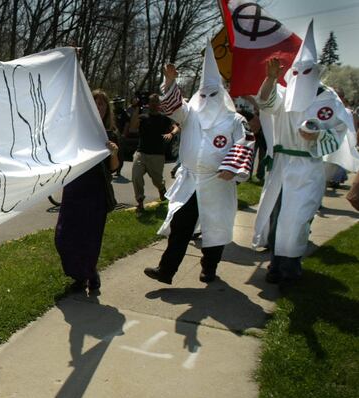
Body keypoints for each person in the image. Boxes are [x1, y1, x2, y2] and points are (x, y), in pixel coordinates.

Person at [253, 21, 359, 283]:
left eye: (307, 71)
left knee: (297, 219)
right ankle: (276, 265)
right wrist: (269, 78)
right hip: (282, 166)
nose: (301, 76)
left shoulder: (327, 99)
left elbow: (337, 132)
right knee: (278, 218)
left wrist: (317, 136)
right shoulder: (285, 94)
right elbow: (266, 103)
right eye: (297, 71)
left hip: (307, 168)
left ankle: (292, 265)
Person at [143, 45, 254, 285]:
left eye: (212, 95)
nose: (206, 100)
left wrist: (232, 167)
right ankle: (166, 270)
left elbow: (246, 141)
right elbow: (172, 107)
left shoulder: (235, 120)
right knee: (181, 226)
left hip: (217, 182)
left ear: (222, 95)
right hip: (191, 181)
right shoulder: (190, 113)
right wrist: (169, 82)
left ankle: (209, 268)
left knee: (215, 226)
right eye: (202, 95)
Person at [55, 89, 119, 295]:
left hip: (95, 194)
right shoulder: (77, 132)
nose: (98, 108)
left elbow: (113, 168)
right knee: (64, 237)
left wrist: (113, 152)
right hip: (74, 190)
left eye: (101, 104)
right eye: (94, 103)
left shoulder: (109, 135)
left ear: (107, 109)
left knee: (89, 240)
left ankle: (88, 275)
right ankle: (80, 274)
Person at [127, 93, 179, 211]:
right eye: (152, 101)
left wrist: (171, 133)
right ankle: (140, 201)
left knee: (157, 180)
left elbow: (176, 127)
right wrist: (136, 108)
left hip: (157, 155)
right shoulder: (143, 117)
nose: (154, 104)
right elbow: (133, 127)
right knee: (136, 176)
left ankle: (161, 188)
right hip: (141, 153)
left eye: (156, 101)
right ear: (148, 104)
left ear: (159, 104)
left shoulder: (164, 118)